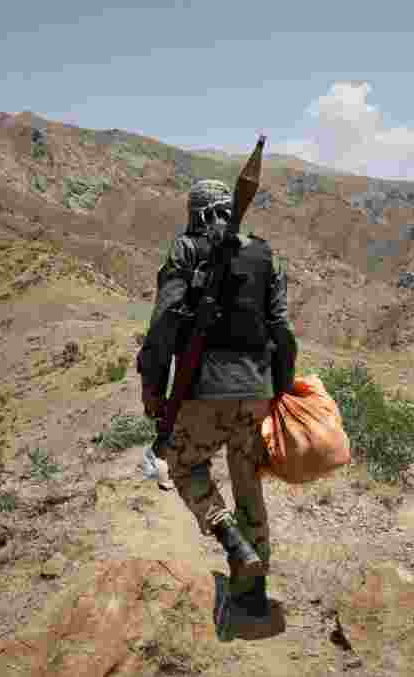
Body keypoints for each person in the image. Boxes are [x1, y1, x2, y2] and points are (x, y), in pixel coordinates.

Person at [136, 179, 297, 618]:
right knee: (249, 485)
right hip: (256, 392)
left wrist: (153, 385)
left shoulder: (186, 250)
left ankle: (229, 537)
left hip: (203, 391)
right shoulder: (266, 254)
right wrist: (281, 391)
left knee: (183, 465)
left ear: (198, 214)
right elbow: (282, 331)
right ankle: (252, 594)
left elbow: (165, 322)